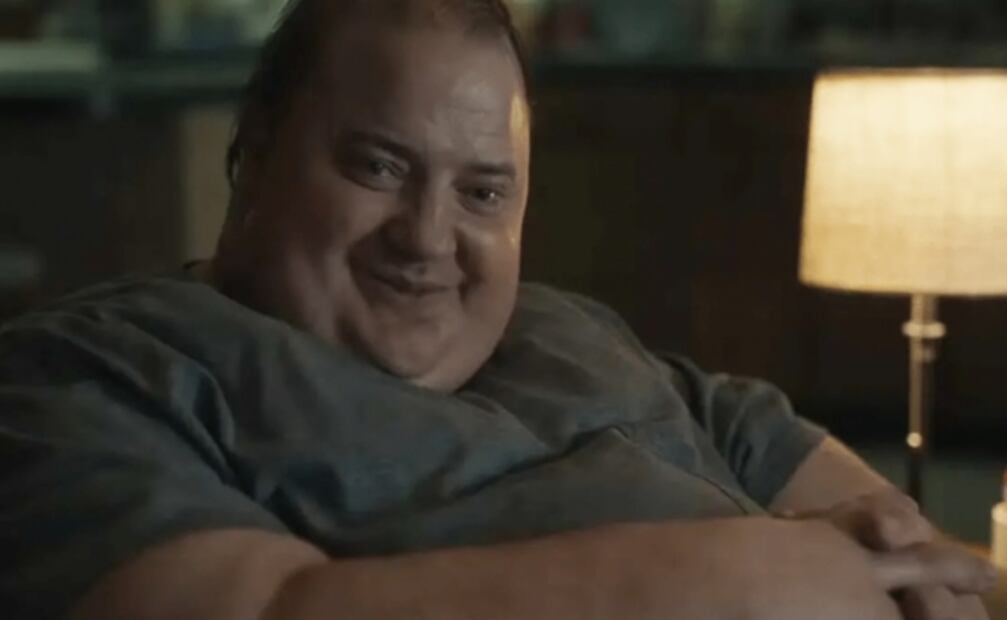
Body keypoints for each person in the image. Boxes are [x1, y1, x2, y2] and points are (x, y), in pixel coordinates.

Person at [0, 1, 996, 619]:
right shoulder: (96, 371)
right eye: (378, 167)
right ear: (250, 157)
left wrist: (917, 574)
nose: (429, 236)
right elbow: (263, 609)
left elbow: (858, 510)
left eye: (482, 191)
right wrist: (752, 579)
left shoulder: (569, 329)